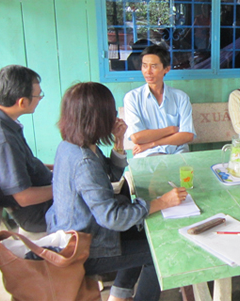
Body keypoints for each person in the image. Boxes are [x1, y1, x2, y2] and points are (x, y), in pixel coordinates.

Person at [46, 82, 188, 301]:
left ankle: (119, 295)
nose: (115, 117)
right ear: (97, 118)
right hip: (87, 248)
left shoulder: (73, 145)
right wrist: (162, 202)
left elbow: (110, 176)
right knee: (159, 252)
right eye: (111, 112)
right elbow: (113, 219)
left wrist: (119, 141)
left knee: (147, 230)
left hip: (80, 232)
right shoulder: (83, 161)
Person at [0, 65, 52, 232]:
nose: (40, 98)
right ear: (22, 102)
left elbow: (22, 164)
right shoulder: (2, 141)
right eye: (38, 95)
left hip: (42, 196)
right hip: (36, 213)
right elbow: (24, 197)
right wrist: (64, 186)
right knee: (93, 205)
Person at [124, 45, 196, 158]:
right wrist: (171, 129)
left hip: (177, 154)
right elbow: (137, 137)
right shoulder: (132, 98)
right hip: (147, 155)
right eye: (144, 66)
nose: (148, 71)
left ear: (166, 69)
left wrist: (152, 143)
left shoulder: (180, 97)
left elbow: (187, 135)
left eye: (153, 66)